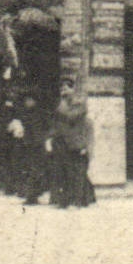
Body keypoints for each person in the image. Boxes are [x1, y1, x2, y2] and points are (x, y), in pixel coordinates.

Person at [47, 80, 95, 208]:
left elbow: (71, 117)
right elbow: (55, 123)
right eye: (61, 87)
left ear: (73, 89)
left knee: (77, 173)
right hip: (62, 142)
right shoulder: (61, 103)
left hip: (76, 143)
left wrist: (85, 146)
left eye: (66, 87)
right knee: (65, 172)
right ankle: (67, 201)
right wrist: (51, 137)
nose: (63, 90)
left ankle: (79, 201)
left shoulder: (78, 103)